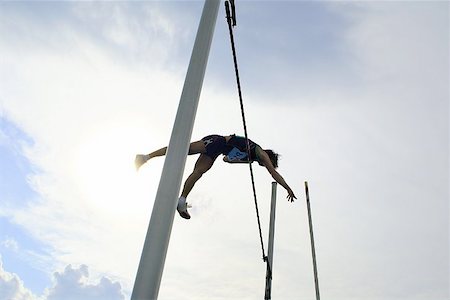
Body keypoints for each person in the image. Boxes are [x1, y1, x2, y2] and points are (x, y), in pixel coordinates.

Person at [135, 134, 296, 219]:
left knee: (198, 172)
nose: (265, 165)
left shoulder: (250, 158)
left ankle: (182, 200)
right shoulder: (260, 152)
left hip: (219, 150)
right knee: (182, 149)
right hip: (217, 142)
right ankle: (145, 157)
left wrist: (236, 159)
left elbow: (227, 160)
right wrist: (287, 188)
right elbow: (273, 174)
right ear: (268, 157)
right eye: (267, 163)